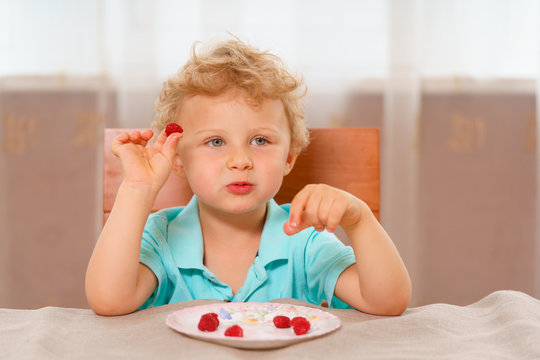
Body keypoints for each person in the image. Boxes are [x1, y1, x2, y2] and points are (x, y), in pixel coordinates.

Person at [85, 38, 411, 316]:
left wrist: (359, 220)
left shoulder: (306, 241)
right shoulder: (163, 235)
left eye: (260, 141)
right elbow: (108, 300)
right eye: (215, 142)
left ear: (289, 157)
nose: (240, 161)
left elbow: (388, 301)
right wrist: (138, 188)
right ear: (179, 160)